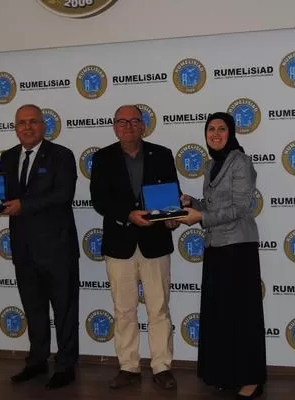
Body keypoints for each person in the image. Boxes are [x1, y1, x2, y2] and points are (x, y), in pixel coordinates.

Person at [90, 104, 180, 390]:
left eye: (134, 121)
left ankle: (162, 367)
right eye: (122, 121)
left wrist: (171, 217)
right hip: (120, 243)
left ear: (143, 125)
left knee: (159, 308)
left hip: (156, 242)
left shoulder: (162, 154)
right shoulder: (103, 158)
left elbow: (172, 195)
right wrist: (128, 215)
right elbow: (99, 200)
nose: (128, 126)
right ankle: (128, 367)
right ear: (114, 127)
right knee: (124, 309)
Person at [178, 112, 266, 399]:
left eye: (221, 129)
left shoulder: (241, 162)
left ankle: (251, 379)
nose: (215, 134)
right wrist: (192, 202)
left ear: (231, 133)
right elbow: (213, 206)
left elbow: (240, 208)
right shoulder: (212, 164)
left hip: (238, 249)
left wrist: (200, 217)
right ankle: (227, 374)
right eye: (210, 129)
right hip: (216, 248)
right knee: (222, 316)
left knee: (242, 316)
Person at [0, 104, 80, 389]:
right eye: (22, 123)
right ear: (16, 128)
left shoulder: (61, 155)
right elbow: (4, 196)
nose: (27, 127)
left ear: (43, 125)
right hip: (23, 249)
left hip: (57, 248)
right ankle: (36, 360)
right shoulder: (8, 157)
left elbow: (63, 194)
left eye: (33, 121)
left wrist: (24, 205)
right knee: (33, 309)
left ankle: (66, 365)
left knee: (65, 310)